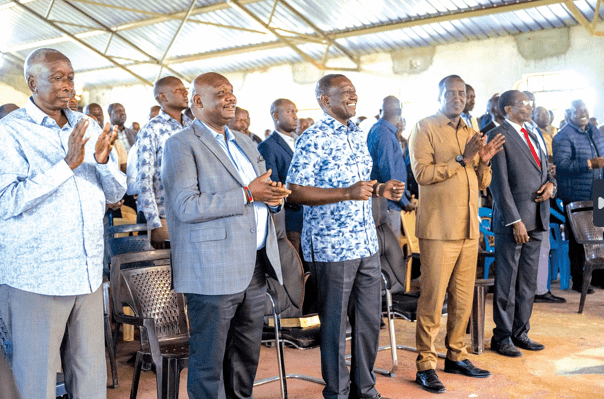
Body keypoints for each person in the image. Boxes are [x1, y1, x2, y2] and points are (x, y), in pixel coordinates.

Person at [0, 47, 126, 399]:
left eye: (70, 77)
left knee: (89, 375)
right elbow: (7, 201)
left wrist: (102, 162)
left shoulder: (88, 126)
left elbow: (115, 192)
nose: (67, 85)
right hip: (36, 275)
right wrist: (66, 165)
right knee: (36, 378)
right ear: (32, 82)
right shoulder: (10, 132)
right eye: (56, 77)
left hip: (85, 272)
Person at [161, 72, 288, 399]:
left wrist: (273, 198)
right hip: (212, 268)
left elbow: (261, 192)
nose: (231, 98)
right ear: (198, 102)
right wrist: (249, 194)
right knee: (209, 364)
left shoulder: (245, 141)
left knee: (245, 358)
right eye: (221, 93)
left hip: (254, 265)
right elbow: (187, 206)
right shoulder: (180, 144)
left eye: (231, 92)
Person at [287, 73, 404, 399]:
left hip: (365, 242)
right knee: (336, 325)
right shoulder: (313, 137)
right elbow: (293, 192)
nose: (352, 97)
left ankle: (365, 388)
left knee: (368, 320)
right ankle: (336, 392)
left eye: (354, 92)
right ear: (325, 100)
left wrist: (380, 188)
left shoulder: (357, 134)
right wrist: (345, 193)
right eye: (344, 92)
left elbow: (360, 187)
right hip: (332, 246)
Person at [409, 75, 504, 394]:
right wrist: (461, 159)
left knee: (462, 299)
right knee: (433, 299)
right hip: (438, 230)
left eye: (462, 93)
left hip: (467, 230)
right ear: (439, 96)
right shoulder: (425, 128)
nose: (457, 97)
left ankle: (456, 355)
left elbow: (480, 183)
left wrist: (483, 163)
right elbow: (422, 174)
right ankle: (425, 363)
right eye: (450, 93)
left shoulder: (470, 131)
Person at [488, 90, 556, 357]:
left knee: (528, 281)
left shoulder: (536, 133)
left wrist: (552, 185)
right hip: (513, 221)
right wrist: (514, 220)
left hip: (539, 216)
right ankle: (502, 337)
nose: (529, 107)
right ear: (508, 109)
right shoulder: (499, 135)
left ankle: (520, 332)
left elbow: (546, 171)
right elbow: (499, 184)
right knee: (507, 281)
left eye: (531, 103)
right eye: (523, 104)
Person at [553, 99, 604, 293]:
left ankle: (598, 276)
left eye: (585, 110)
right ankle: (579, 279)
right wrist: (588, 164)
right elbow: (562, 166)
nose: (583, 113)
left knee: (600, 235)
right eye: (578, 111)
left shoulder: (594, 131)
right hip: (576, 194)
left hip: (598, 191)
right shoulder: (563, 136)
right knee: (579, 239)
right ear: (569, 114)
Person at [136, 76, 192, 248]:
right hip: (165, 218)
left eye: (185, 89)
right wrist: (155, 223)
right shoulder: (151, 129)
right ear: (163, 97)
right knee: (165, 273)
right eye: (178, 90)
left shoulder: (192, 126)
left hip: (191, 214)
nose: (185, 93)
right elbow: (144, 180)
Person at [258, 99, 304, 253]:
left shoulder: (300, 142)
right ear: (276, 116)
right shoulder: (268, 146)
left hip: (310, 217)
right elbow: (273, 185)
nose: (295, 116)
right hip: (292, 220)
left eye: (296, 112)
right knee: (298, 269)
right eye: (290, 111)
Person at [531, 106, 566, 304]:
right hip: (529, 197)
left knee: (543, 246)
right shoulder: (517, 134)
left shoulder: (541, 135)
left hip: (546, 193)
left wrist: (550, 178)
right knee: (536, 247)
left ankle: (541, 289)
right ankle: (535, 290)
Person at [367, 95, 415, 239]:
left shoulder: (382, 131)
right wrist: (404, 202)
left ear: (381, 110)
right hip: (387, 203)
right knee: (388, 252)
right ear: (400, 113)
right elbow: (388, 172)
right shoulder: (383, 133)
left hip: (390, 201)